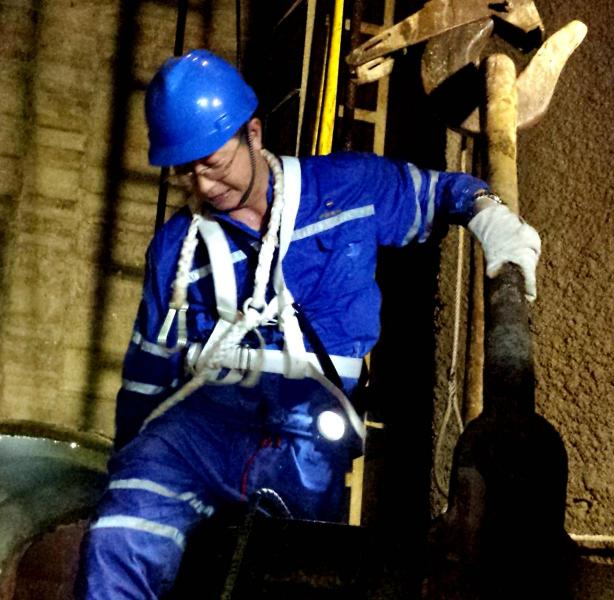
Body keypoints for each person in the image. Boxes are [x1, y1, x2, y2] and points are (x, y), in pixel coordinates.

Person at [76, 48, 541, 598]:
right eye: (185, 171)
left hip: (304, 431)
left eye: (212, 163)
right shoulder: (177, 249)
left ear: (253, 134)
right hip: (201, 428)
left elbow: (439, 193)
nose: (202, 186)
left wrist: (489, 214)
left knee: (296, 572)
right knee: (120, 534)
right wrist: (124, 464)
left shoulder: (345, 189)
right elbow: (147, 374)